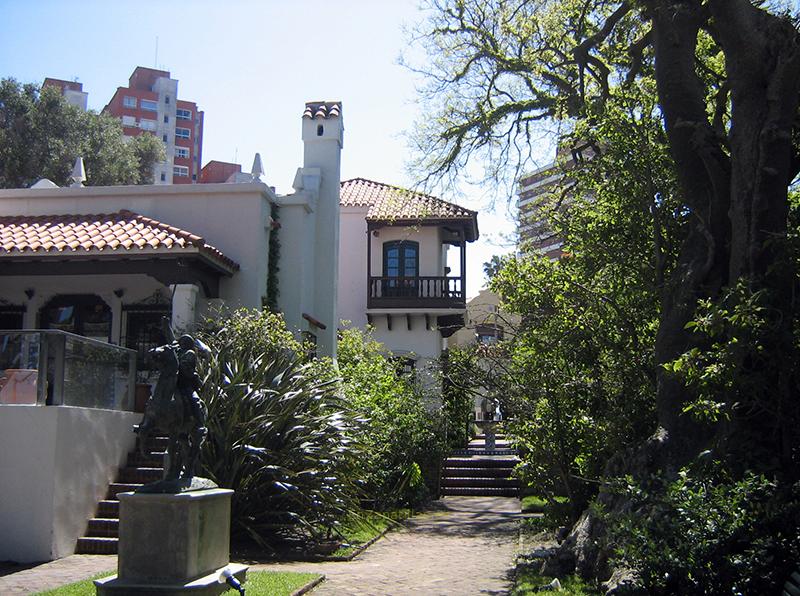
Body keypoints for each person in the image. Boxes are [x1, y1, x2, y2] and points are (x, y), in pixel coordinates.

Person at [175, 334, 207, 439]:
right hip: (174, 383)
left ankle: (200, 424)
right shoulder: (177, 352)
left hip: (186, 383)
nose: (182, 344)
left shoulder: (190, 353)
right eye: (181, 341)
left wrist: (180, 364)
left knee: (195, 400)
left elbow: (185, 366)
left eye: (184, 342)